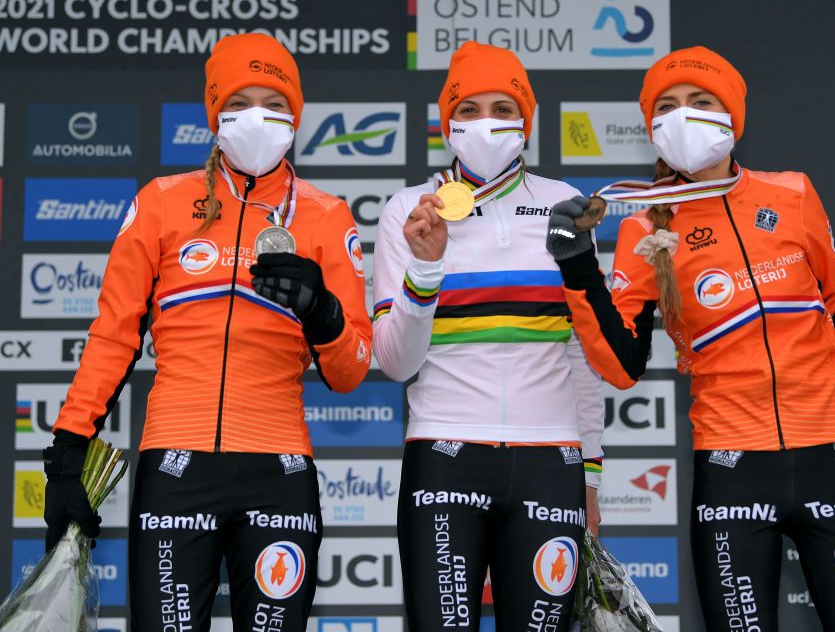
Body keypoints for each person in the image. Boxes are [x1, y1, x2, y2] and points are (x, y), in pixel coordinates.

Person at [545, 46, 835, 631]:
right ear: (652, 129)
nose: (684, 116)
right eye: (667, 107)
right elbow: (621, 364)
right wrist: (578, 268)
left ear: (731, 116)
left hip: (833, 455)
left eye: (700, 102)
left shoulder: (791, 194)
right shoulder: (645, 226)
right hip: (731, 469)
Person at [42, 33, 372, 631]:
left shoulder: (325, 215)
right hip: (176, 468)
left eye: (274, 102)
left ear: (296, 114)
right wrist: (68, 449)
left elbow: (350, 370)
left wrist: (321, 310)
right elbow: (114, 336)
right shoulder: (163, 202)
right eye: (239, 102)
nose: (258, 117)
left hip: (279, 471)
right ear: (214, 112)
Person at [372, 41, 604, 631]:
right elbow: (396, 363)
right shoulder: (408, 211)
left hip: (551, 460)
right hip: (444, 458)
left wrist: (592, 474)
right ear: (445, 123)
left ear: (527, 119)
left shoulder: (564, 207)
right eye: (469, 109)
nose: (486, 124)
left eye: (504, 108)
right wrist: (425, 270)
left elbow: (582, 354)